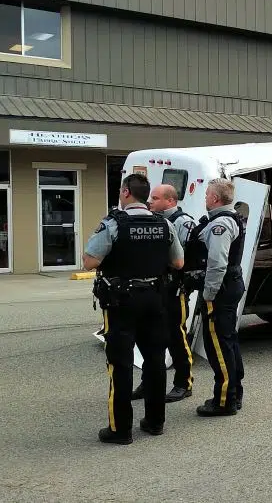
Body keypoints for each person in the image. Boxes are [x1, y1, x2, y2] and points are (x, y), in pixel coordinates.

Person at [83, 174, 185, 445]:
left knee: (121, 362)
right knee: (155, 361)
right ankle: (155, 422)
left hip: (121, 302)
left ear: (126, 192)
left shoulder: (113, 223)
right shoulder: (164, 223)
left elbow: (90, 262)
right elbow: (178, 262)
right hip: (155, 299)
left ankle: (120, 429)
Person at [130, 184, 197, 403]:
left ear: (171, 201)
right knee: (150, 339)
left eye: (156, 198)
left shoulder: (182, 223)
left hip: (174, 289)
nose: (151, 201)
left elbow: (182, 259)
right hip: (155, 288)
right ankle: (148, 382)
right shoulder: (152, 222)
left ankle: (183, 383)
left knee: (176, 336)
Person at [186, 178, 246, 417]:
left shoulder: (219, 225)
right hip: (230, 286)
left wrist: (208, 294)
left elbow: (217, 263)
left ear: (214, 198)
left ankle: (224, 401)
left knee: (218, 346)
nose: (205, 198)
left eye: (207, 194)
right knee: (228, 340)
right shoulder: (232, 218)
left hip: (220, 290)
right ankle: (234, 392)